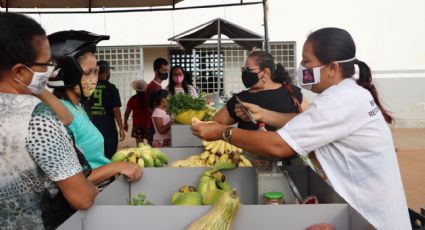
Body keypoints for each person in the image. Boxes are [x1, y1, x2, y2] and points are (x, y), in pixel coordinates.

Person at [191, 27, 410, 229]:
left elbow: (279, 146)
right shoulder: (349, 93)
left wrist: (223, 133)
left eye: (307, 62)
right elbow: (308, 123)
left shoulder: (339, 100)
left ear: (332, 68)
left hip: (373, 220)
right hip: (373, 215)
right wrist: (263, 114)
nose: (301, 68)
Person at [0, 13, 98, 229]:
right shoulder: (36, 117)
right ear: (19, 71)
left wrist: (31, 86)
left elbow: (65, 117)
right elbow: (82, 197)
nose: (49, 71)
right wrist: (92, 188)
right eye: (45, 64)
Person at [213, 51, 308, 131]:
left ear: (265, 72)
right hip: (248, 153)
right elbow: (215, 124)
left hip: (288, 152)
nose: (244, 73)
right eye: (243, 69)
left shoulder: (292, 92)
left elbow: (311, 120)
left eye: (249, 69)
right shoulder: (241, 99)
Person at [87, 60, 125, 159]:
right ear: (107, 72)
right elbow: (116, 109)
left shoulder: (88, 87)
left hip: (92, 126)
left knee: (95, 156)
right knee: (110, 156)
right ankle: (110, 174)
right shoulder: (112, 88)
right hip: (108, 128)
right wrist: (121, 127)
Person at [144, 57, 169, 144]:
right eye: (163, 70)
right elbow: (150, 108)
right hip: (155, 128)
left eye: (167, 70)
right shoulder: (154, 87)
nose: (166, 73)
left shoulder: (157, 86)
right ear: (156, 71)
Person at [124, 79, 151, 146]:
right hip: (149, 125)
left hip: (137, 125)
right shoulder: (149, 99)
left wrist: (125, 123)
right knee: (151, 145)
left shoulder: (132, 99)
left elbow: (127, 113)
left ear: (136, 90)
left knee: (140, 146)